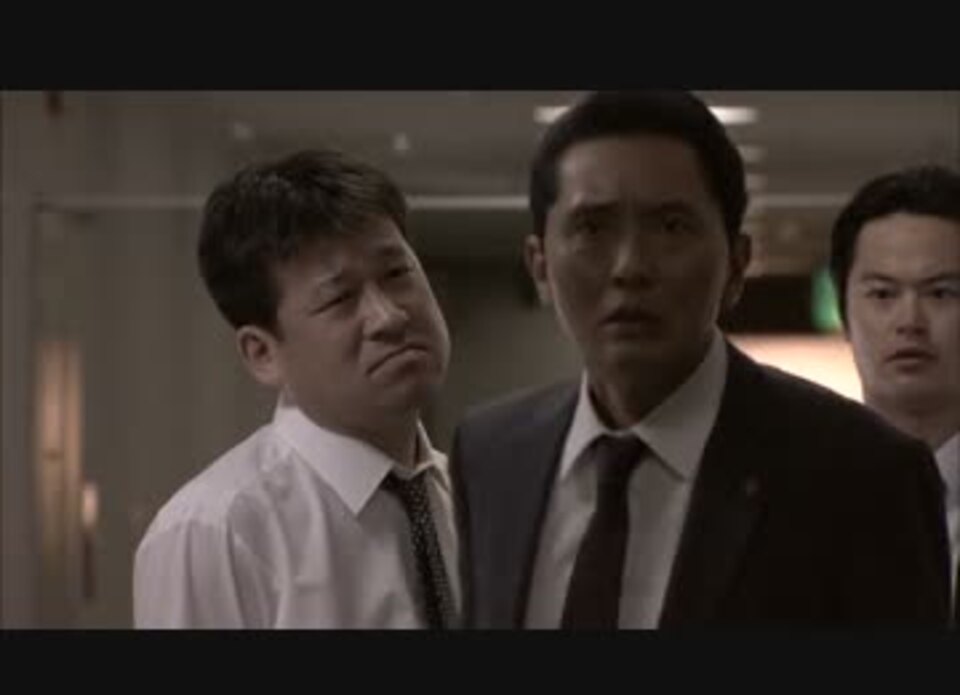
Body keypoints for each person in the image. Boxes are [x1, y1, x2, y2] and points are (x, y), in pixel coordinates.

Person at [450, 91, 951, 628]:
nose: (630, 267)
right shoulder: (493, 457)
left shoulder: (862, 473)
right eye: (592, 228)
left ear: (736, 263)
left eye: (671, 227)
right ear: (540, 265)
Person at [134, 148, 459, 628]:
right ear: (263, 353)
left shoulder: (469, 498)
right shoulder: (217, 529)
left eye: (396, 274)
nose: (389, 316)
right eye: (340, 298)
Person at [830, 164, 960, 625]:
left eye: (941, 294)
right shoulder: (787, 497)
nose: (910, 322)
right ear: (844, 312)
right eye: (883, 295)